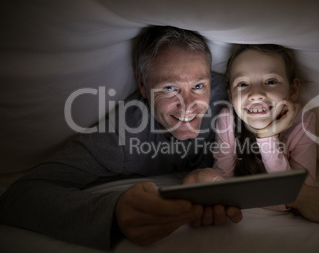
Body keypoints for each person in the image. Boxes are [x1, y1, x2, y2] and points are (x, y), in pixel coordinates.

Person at [0, 26, 242, 250]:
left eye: (199, 86)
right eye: (169, 88)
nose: (189, 104)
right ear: (143, 85)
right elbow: (20, 196)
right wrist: (114, 213)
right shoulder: (123, 135)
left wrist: (204, 174)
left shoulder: (231, 99)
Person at [184, 44, 319, 222]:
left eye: (271, 81)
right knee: (206, 177)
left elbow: (304, 188)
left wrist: (267, 136)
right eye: (243, 84)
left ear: (293, 90)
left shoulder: (303, 122)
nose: (256, 94)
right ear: (230, 97)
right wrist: (292, 197)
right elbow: (225, 185)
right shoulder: (227, 119)